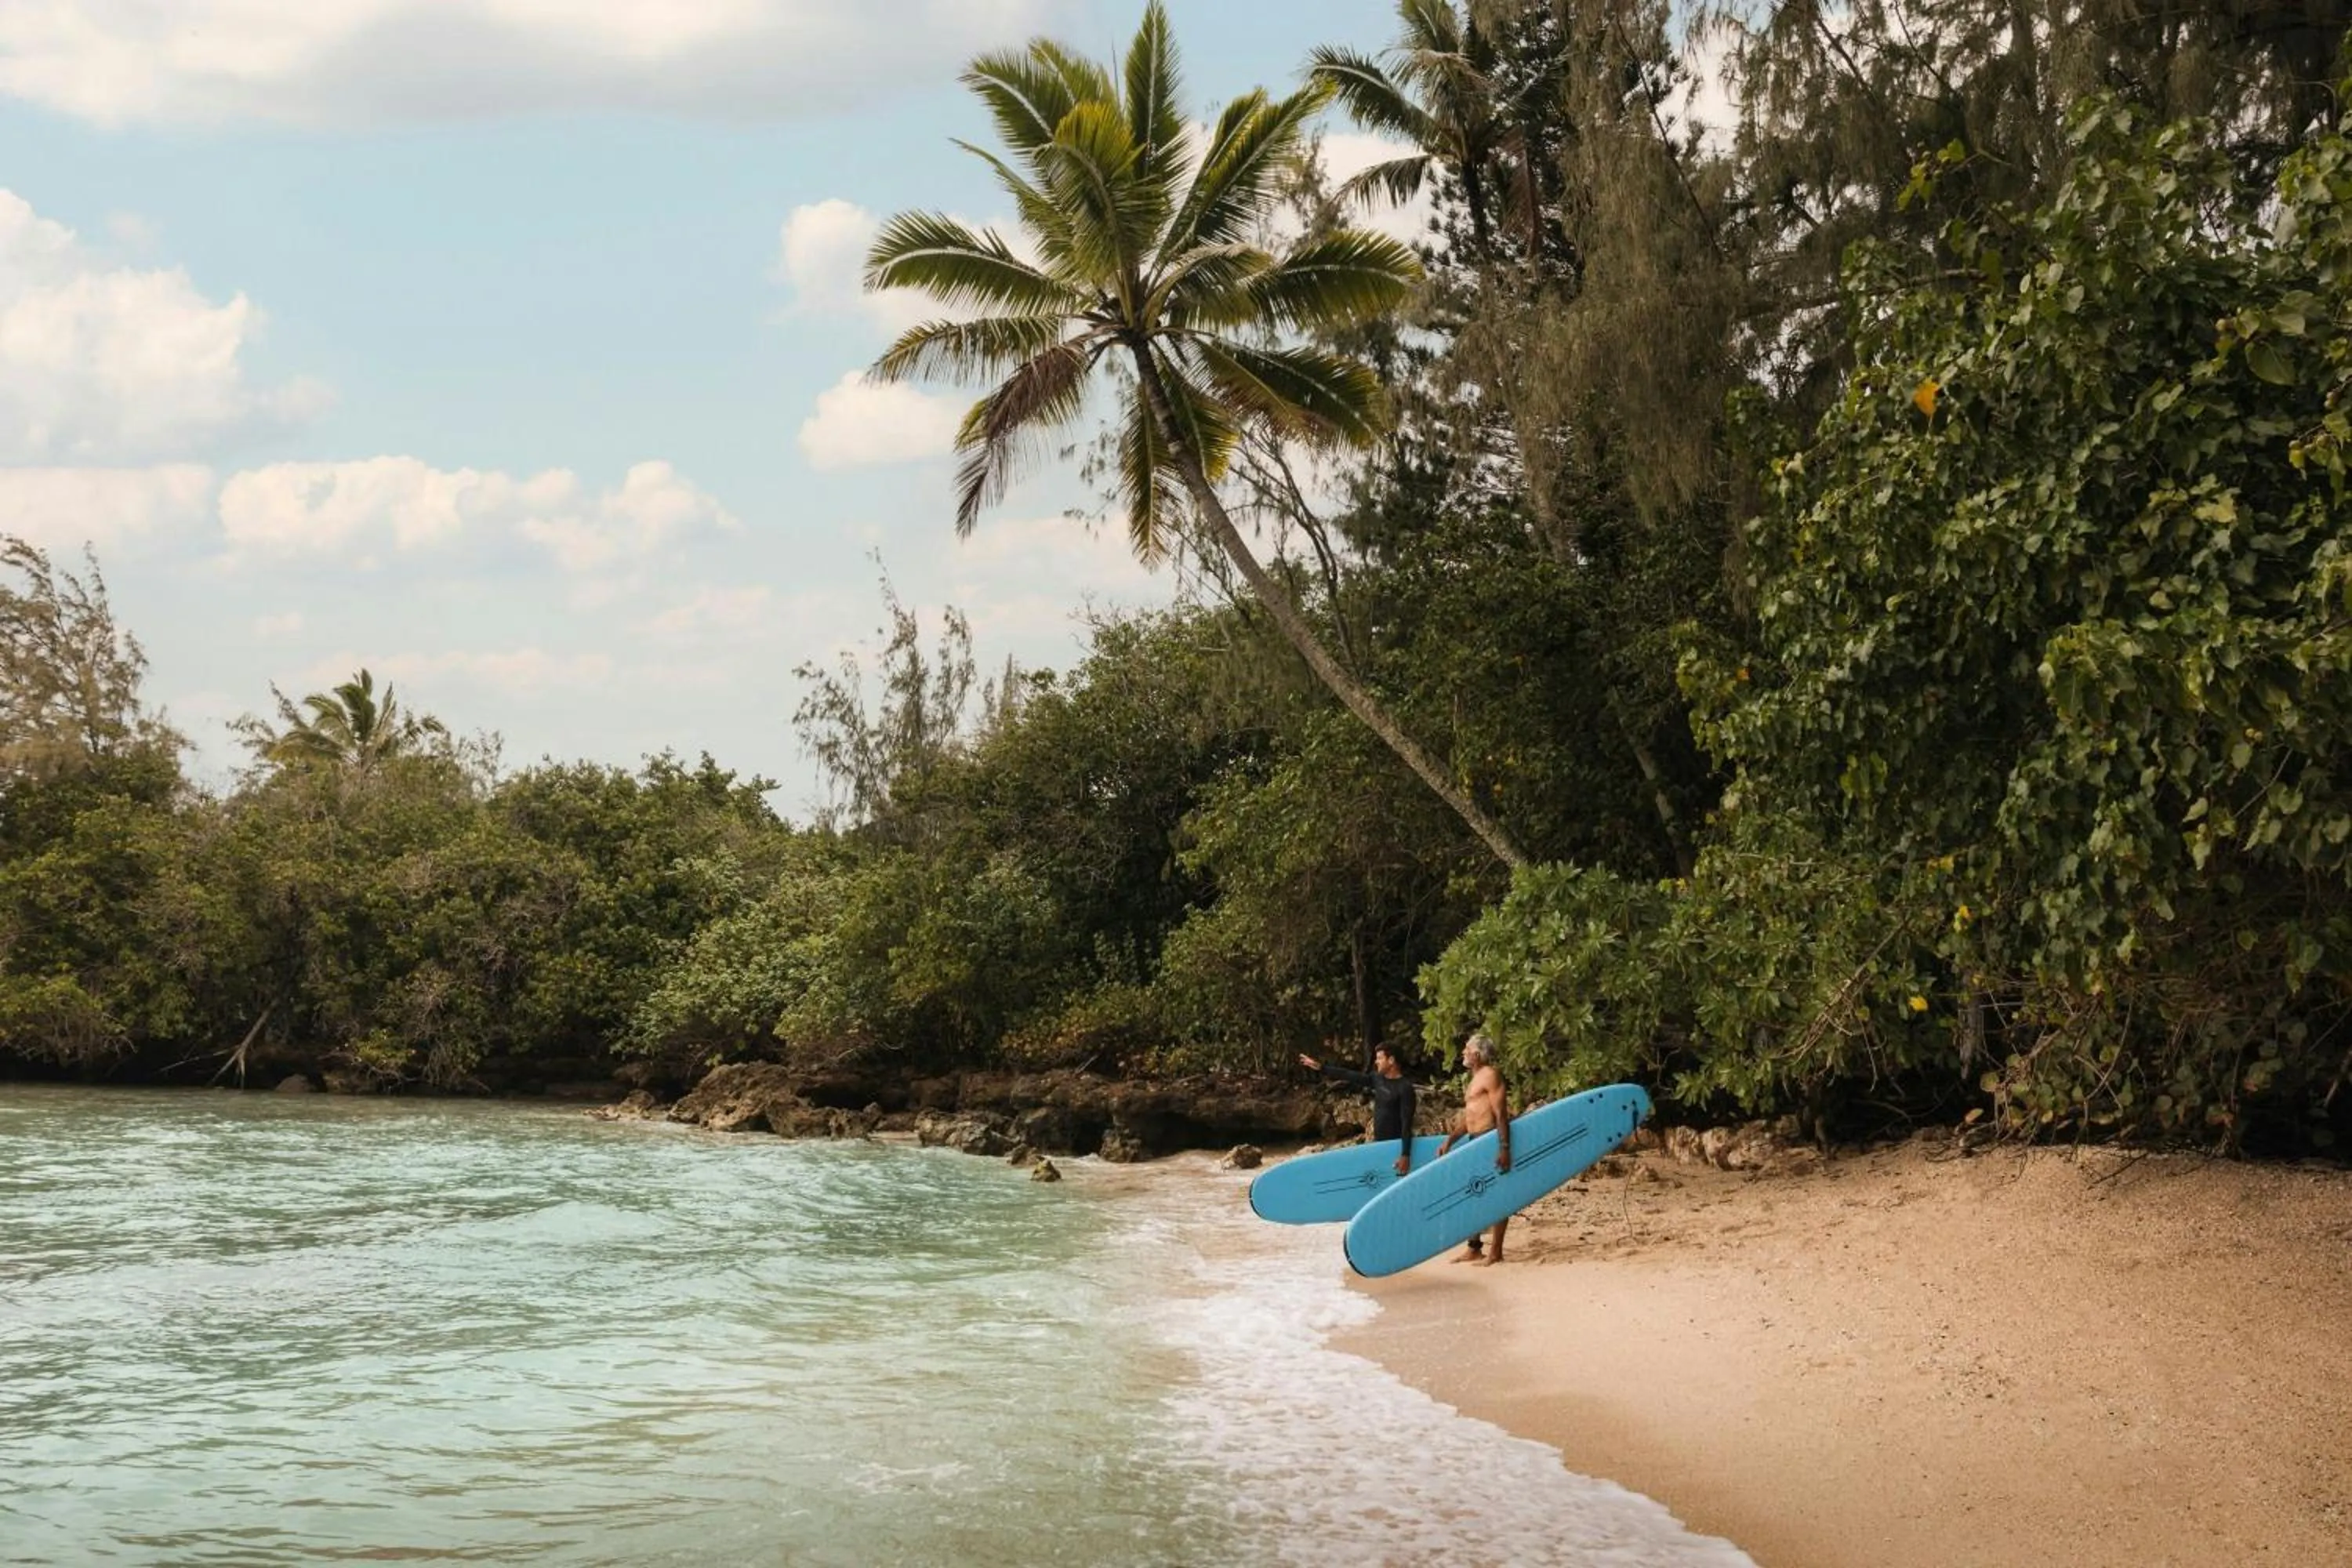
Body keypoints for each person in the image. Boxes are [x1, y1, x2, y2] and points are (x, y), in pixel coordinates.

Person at [1436, 1033, 1513, 1265]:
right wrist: (1450, 1140)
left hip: (1488, 1139)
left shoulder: (1491, 1075)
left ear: (1477, 1055)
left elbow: (1501, 1114)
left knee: (1496, 1194)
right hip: (1473, 1139)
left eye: (1467, 1049)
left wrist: (1504, 1147)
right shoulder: (1475, 1078)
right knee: (1473, 1191)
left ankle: (1496, 1252)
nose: (1463, 1052)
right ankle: (1474, 1248)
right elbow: (1470, 1118)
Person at [1297, 1044, 1418, 1177]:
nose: (1376, 1062)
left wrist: (1405, 1155)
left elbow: (1407, 1123)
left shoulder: (1405, 1088)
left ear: (1391, 1060)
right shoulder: (1377, 1079)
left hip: (1396, 1146)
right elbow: (1348, 1074)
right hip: (1379, 1144)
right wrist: (1322, 1068)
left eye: (1379, 1058)